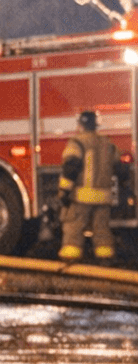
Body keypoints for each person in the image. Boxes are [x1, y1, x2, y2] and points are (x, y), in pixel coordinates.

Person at [58, 109, 127, 261]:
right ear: (95, 125)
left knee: (74, 227)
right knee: (102, 229)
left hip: (82, 197)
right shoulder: (108, 144)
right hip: (104, 198)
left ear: (80, 125)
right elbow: (121, 169)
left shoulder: (77, 143)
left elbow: (71, 168)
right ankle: (105, 256)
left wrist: (64, 191)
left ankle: (71, 255)